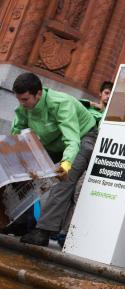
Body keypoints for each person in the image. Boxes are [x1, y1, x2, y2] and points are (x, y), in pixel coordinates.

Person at [10, 72, 98, 247]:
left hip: (82, 138)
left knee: (63, 178)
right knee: (20, 174)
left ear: (39, 94)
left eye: (25, 99)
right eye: (19, 99)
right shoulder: (24, 107)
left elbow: (72, 140)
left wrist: (66, 163)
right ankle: (21, 222)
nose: (22, 104)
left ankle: (43, 230)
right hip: (52, 144)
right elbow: (16, 133)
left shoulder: (61, 103)